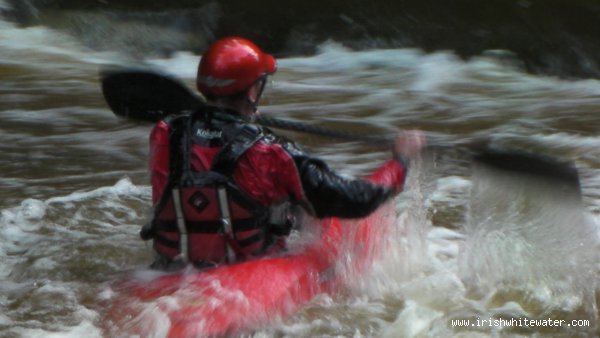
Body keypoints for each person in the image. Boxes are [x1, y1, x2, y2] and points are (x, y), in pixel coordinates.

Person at [141, 36, 426, 270]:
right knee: (300, 200)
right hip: (245, 274)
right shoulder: (271, 152)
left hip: (172, 270)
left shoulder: (165, 132)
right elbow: (356, 200)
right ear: (252, 91)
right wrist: (400, 161)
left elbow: (206, 141)